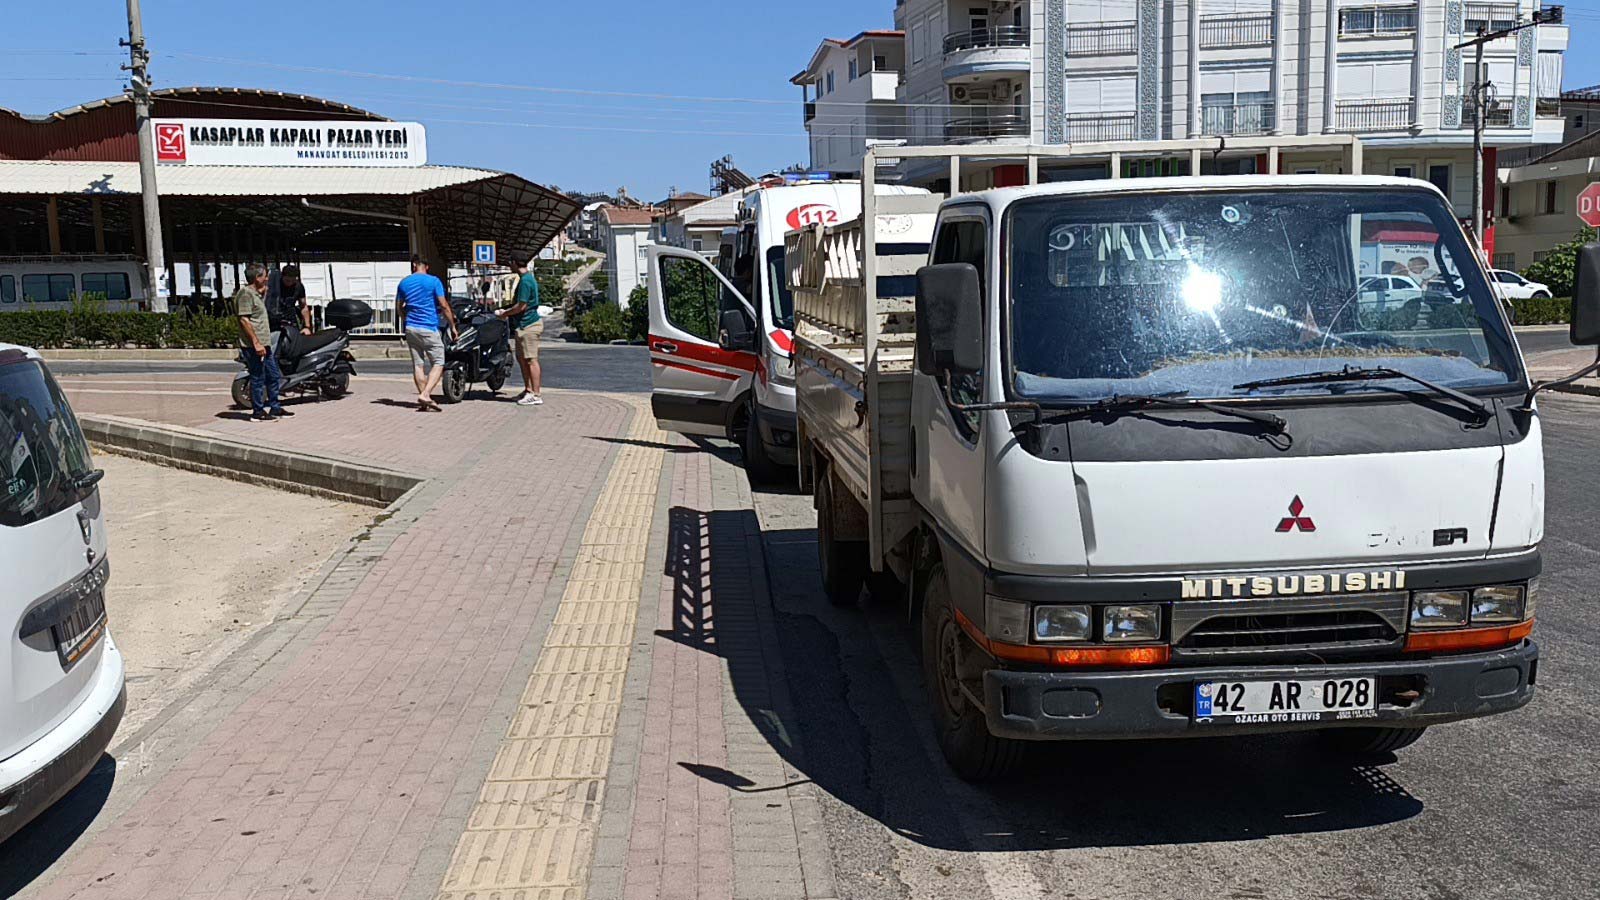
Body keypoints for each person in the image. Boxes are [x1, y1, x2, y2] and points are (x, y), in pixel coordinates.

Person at [394, 256, 457, 411]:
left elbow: (399, 307)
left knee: (418, 364)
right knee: (438, 362)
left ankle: (424, 401)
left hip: (411, 328)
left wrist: (406, 319)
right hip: (428, 327)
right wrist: (452, 325)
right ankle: (426, 394)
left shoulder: (404, 283)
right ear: (426, 267)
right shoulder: (434, 281)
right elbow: (443, 305)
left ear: (414, 266)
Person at [234, 263, 293, 422]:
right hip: (254, 345)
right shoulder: (245, 294)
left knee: (273, 375)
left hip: (264, 344)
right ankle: (257, 412)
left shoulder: (256, 294)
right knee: (258, 377)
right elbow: (244, 320)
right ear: (257, 277)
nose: (267, 279)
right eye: (264, 276)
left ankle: (275, 407)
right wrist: (256, 343)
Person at [497, 260, 543, 406]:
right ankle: (528, 390)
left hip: (528, 325)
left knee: (531, 359)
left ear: (516, 264)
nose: (510, 266)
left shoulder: (525, 281)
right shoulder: (526, 278)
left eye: (511, 263)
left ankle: (536, 394)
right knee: (523, 359)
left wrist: (505, 313)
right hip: (523, 325)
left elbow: (521, 306)